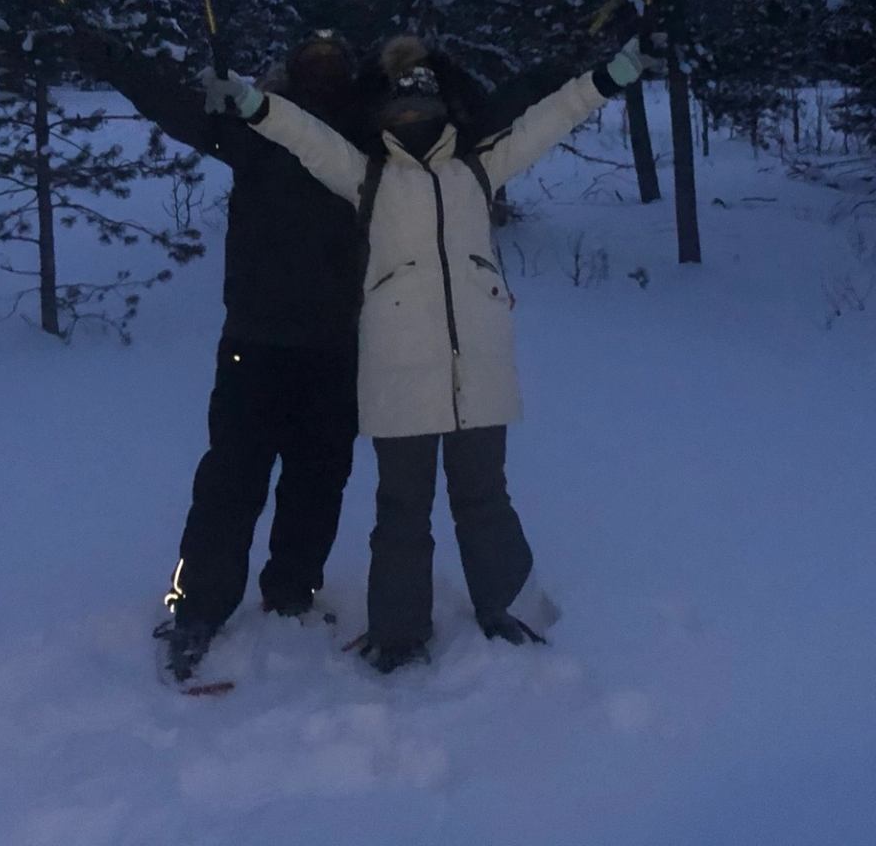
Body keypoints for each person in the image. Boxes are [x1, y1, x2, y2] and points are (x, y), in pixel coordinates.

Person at [209, 33, 655, 672]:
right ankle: (397, 634)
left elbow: (552, 118)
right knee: (402, 510)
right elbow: (307, 137)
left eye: (422, 105)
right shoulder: (367, 178)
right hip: (397, 374)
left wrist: (613, 75)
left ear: (444, 110)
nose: (412, 117)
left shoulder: (478, 169)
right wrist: (255, 104)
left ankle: (511, 609)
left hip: (479, 369)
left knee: (485, 498)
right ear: (384, 116)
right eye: (400, 108)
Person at [73, 25, 370, 682]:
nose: (323, 68)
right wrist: (108, 54)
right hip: (254, 344)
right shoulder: (254, 128)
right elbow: (171, 103)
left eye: (334, 59)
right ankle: (197, 609)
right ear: (291, 71)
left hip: (335, 345)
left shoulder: (366, 136)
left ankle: (292, 591)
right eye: (312, 58)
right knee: (230, 483)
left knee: (319, 481)